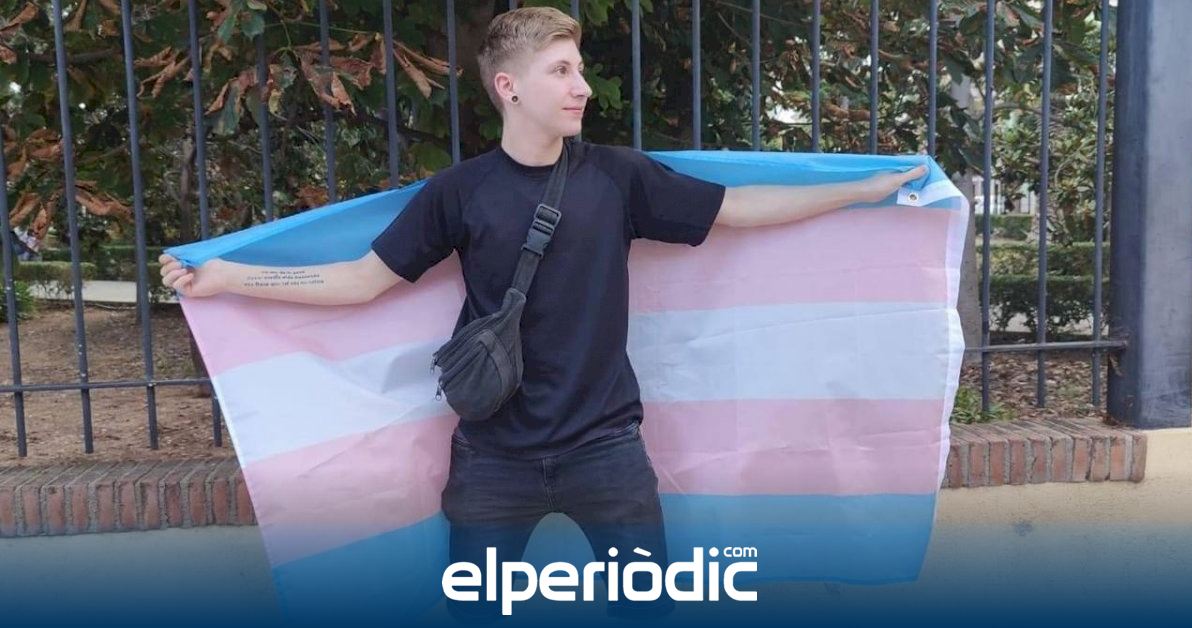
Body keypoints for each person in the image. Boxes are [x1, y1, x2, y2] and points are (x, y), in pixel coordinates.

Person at [160, 6, 926, 622]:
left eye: (580, 69)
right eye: (561, 70)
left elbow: (740, 208)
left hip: (607, 452)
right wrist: (229, 276)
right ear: (509, 86)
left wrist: (861, 192)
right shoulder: (459, 192)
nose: (581, 86)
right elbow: (361, 281)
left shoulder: (618, 177)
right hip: (493, 458)